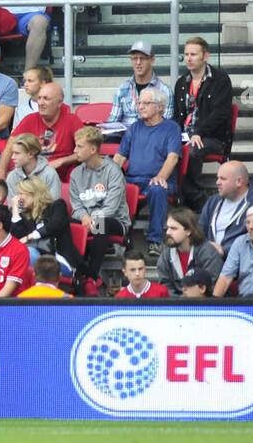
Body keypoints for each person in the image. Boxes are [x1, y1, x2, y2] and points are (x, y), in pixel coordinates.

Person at [106, 89, 182, 257]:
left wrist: (160, 177)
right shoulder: (134, 128)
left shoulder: (171, 128)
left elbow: (173, 158)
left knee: (157, 188)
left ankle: (155, 241)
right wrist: (107, 178)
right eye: (139, 103)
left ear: (160, 107)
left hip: (159, 180)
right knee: (108, 188)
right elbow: (119, 157)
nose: (140, 107)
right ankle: (109, 238)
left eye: (146, 103)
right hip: (133, 180)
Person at [174, 36, 235, 210]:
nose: (189, 58)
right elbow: (178, 116)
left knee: (193, 150)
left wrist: (199, 131)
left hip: (212, 137)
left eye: (193, 54)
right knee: (165, 147)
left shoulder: (221, 80)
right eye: (186, 54)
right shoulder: (181, 82)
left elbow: (220, 114)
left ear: (205, 56)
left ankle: (196, 198)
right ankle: (175, 194)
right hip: (185, 134)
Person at [68, 126, 130, 283]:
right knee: (62, 223)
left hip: (114, 220)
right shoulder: (76, 174)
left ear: (93, 149)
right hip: (86, 220)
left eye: (80, 146)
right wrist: (84, 217)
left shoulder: (113, 171)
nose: (75, 150)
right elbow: (76, 205)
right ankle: (78, 271)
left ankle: (91, 277)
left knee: (101, 224)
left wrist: (92, 219)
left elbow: (111, 207)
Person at [0, 82, 84, 179]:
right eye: (39, 98)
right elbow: (9, 147)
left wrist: (61, 161)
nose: (41, 103)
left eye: (46, 99)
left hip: (62, 176)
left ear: (59, 103)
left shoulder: (72, 121)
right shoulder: (29, 120)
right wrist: (1, 174)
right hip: (32, 175)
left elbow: (85, 150)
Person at [199, 161, 253, 257]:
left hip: (243, 262)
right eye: (217, 178)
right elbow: (199, 231)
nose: (217, 182)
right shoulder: (214, 201)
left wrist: (224, 250)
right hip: (211, 258)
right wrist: (208, 248)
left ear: (239, 182)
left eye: (223, 179)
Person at [156, 207, 223, 296]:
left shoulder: (207, 252)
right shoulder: (166, 253)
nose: (168, 232)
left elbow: (210, 287)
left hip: (203, 306)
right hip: (176, 306)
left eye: (173, 228)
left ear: (188, 231)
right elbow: (165, 286)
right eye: (167, 228)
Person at [108, 41, 173, 129]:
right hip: (125, 137)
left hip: (152, 137)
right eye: (134, 58)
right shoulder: (122, 89)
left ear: (152, 60)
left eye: (142, 58)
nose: (138, 63)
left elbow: (165, 124)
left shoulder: (164, 90)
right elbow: (113, 120)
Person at [3, 133, 63, 201]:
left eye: (17, 153)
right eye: (12, 153)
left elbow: (54, 205)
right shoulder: (12, 176)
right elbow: (13, 206)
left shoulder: (50, 174)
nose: (12, 157)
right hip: (21, 211)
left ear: (31, 154)